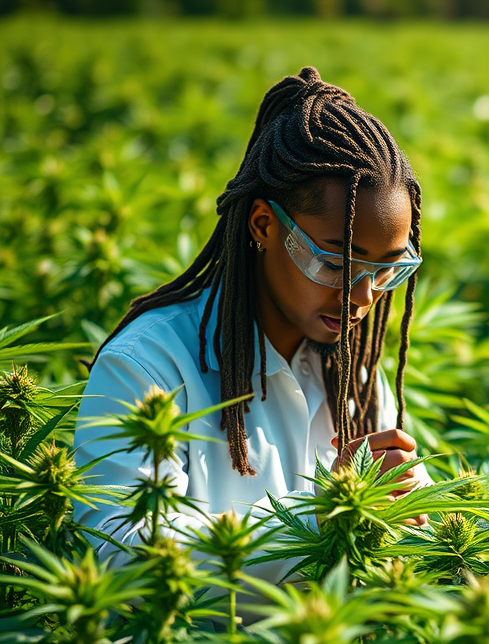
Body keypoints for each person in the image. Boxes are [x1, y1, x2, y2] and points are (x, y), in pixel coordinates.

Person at [73, 67, 431, 579]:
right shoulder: (148, 367)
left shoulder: (359, 377)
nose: (361, 296)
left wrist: (412, 518)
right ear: (264, 225)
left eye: (387, 270)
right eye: (335, 263)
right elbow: (117, 553)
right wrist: (324, 519)